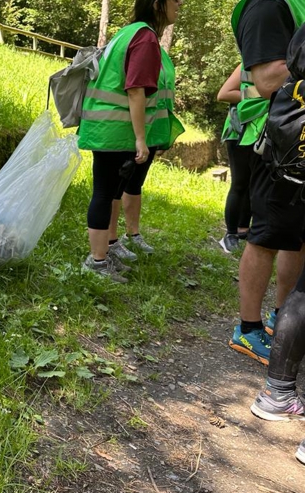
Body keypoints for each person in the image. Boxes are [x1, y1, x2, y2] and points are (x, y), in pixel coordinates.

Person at [78, 0, 185, 283]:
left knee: (111, 191)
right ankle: (97, 262)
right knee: (104, 192)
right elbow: (135, 90)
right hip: (115, 129)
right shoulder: (145, 37)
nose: (180, 3)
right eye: (175, 0)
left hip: (106, 127)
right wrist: (141, 138)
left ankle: (105, 252)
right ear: (157, 4)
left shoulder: (129, 32)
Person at [227, 0, 305, 365]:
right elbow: (267, 78)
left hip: (295, 142)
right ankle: (248, 328)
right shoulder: (267, 5)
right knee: (266, 237)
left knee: (296, 237)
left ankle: (281, 316)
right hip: (274, 142)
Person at [249, 23, 305, 465]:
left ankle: (278, 392)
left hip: (289, 164)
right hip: (283, 169)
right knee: (267, 242)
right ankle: (249, 327)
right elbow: (255, 81)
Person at [217, 66, 253, 254]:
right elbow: (223, 94)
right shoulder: (246, 63)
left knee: (253, 184)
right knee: (239, 183)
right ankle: (229, 235)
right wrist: (258, 92)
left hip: (260, 133)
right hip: (238, 131)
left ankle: (243, 229)